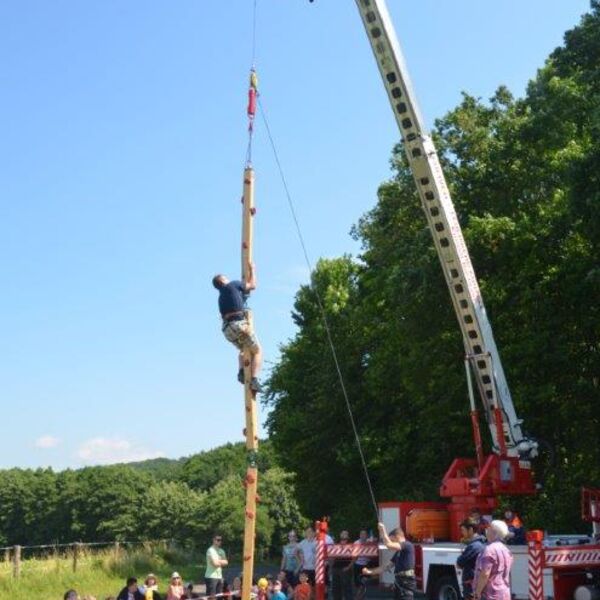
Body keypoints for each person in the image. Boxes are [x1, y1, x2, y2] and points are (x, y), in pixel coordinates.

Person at [213, 263, 262, 392]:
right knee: (257, 351)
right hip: (238, 325)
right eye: (226, 277)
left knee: (243, 349)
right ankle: (254, 380)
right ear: (223, 280)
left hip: (227, 329)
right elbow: (252, 286)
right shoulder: (233, 285)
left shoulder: (221, 296)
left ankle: (241, 372)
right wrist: (252, 270)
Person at [362, 523, 416, 600]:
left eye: (392, 539)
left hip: (406, 582)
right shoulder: (398, 552)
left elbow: (389, 545)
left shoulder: (407, 545)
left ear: (397, 536)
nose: (392, 541)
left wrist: (382, 529)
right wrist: (370, 572)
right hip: (399, 582)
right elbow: (385, 567)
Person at [473, 520, 513, 600]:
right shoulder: (506, 550)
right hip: (504, 593)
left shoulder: (489, 550)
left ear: (494, 532)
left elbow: (485, 574)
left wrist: (477, 592)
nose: (486, 530)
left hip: (490, 594)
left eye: (489, 528)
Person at [456, 520, 486, 600]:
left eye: (463, 530)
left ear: (471, 530)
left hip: (471, 586)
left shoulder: (473, 547)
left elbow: (458, 564)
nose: (462, 533)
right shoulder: (481, 544)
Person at [331, 530, 353, 600]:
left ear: (348, 536)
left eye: (345, 534)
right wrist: (331, 567)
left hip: (345, 568)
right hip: (335, 568)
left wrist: (349, 567)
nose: (343, 535)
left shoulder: (351, 544)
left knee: (347, 588)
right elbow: (332, 555)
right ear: (340, 535)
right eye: (342, 533)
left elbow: (355, 557)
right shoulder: (336, 543)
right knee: (336, 588)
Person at [205, 534, 229, 598]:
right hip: (211, 577)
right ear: (213, 540)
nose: (219, 541)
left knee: (219, 597)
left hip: (219, 577)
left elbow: (226, 562)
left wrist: (218, 561)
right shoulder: (210, 550)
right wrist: (221, 561)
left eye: (220, 540)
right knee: (211, 597)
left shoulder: (222, 551)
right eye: (218, 540)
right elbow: (215, 564)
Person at [352, 528, 373, 600]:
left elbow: (373, 553)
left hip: (366, 565)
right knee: (358, 584)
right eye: (361, 534)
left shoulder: (369, 542)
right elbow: (354, 555)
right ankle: (359, 597)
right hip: (357, 565)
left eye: (364, 534)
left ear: (366, 535)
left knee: (363, 583)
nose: (362, 535)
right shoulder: (356, 543)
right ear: (359, 535)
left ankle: (357, 598)